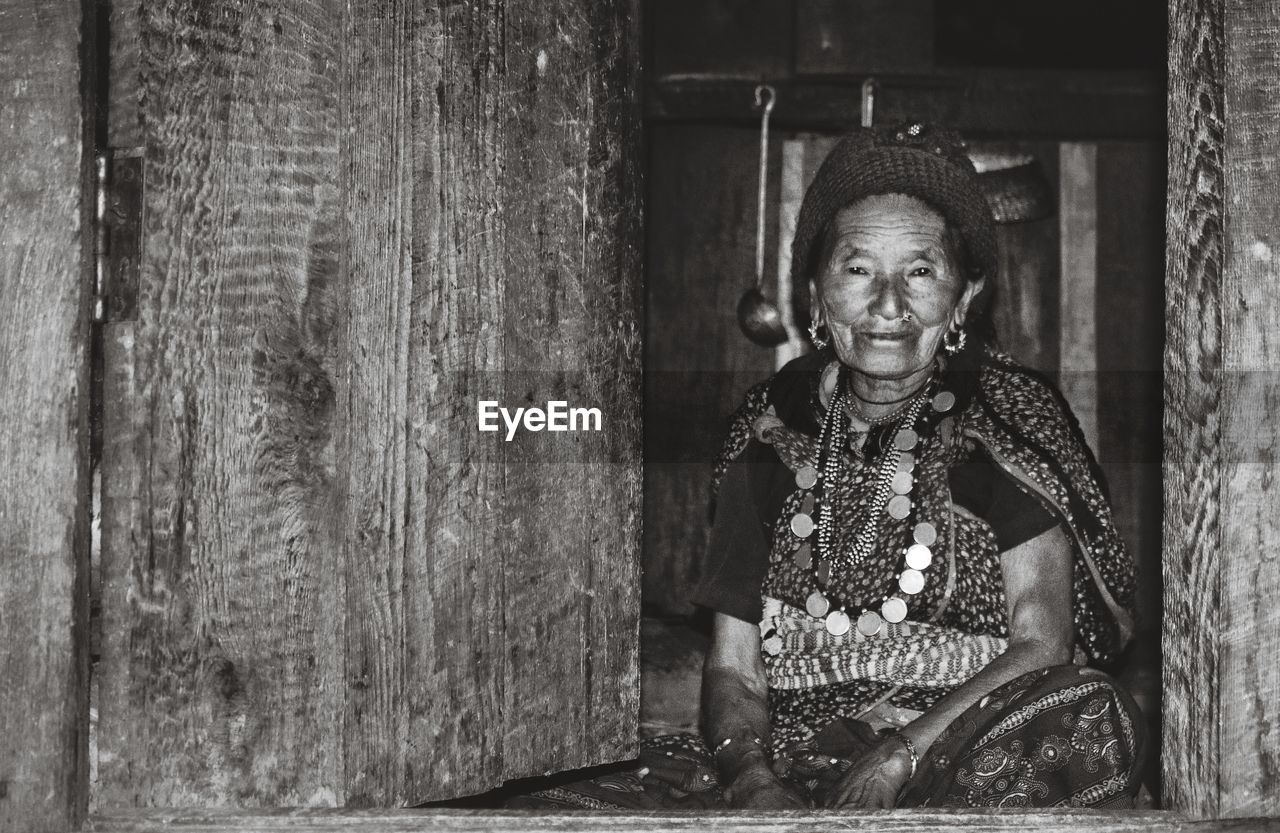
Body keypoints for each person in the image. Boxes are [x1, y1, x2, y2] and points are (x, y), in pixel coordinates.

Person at [510, 122, 1145, 811]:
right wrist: (755, 782)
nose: (889, 305)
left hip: (954, 758)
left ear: (963, 298)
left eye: (921, 270)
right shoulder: (769, 434)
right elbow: (735, 668)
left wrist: (899, 756)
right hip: (794, 757)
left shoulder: (1004, 423)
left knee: (1087, 721)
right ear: (817, 295)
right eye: (858, 268)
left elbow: (1042, 642)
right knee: (542, 788)